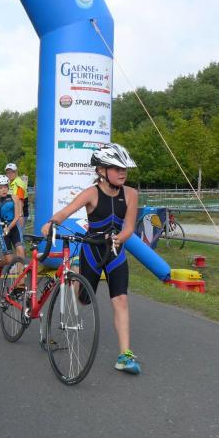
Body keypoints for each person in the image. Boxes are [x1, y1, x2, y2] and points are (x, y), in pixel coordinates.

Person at [40, 143, 141, 375]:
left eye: (124, 168)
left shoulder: (131, 194)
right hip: (92, 251)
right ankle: (77, 274)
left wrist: (119, 239)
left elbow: (129, 227)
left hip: (115, 252)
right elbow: (65, 211)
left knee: (121, 300)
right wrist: (52, 222)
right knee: (84, 300)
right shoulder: (91, 193)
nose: (123, 172)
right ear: (101, 171)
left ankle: (125, 355)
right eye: (116, 168)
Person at [5, 163, 30, 234]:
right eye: (8, 172)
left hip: (19, 214)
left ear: (16, 172)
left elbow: (20, 201)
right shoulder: (10, 183)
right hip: (13, 214)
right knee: (12, 235)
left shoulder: (19, 183)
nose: (10, 174)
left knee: (18, 236)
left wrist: (20, 216)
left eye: (12, 172)